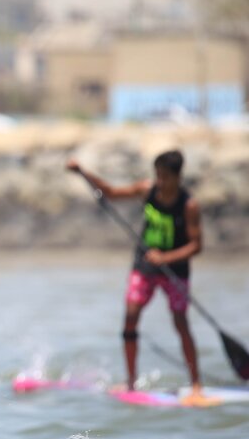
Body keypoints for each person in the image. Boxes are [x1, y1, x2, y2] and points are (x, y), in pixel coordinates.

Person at [66, 150, 204, 398]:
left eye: (166, 177)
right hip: (144, 266)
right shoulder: (147, 190)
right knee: (130, 317)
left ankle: (196, 385)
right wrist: (82, 173)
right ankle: (131, 382)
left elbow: (197, 245)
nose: (160, 182)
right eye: (158, 176)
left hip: (176, 269)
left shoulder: (188, 205)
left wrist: (166, 257)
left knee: (180, 322)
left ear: (178, 177)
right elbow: (110, 192)